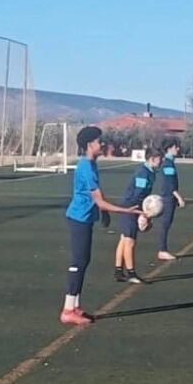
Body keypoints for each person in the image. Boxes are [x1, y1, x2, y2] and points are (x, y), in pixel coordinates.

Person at [60, 126, 139, 326]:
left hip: (86, 218)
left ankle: (75, 306)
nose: (102, 143)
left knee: (84, 261)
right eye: (98, 141)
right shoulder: (86, 167)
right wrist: (126, 211)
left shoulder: (91, 164)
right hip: (78, 219)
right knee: (78, 262)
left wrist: (103, 213)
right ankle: (68, 310)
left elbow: (98, 197)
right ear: (89, 145)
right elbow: (100, 200)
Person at [113, 146, 163, 285]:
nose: (162, 162)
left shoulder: (151, 172)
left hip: (133, 207)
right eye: (160, 159)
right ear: (153, 159)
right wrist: (144, 213)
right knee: (130, 241)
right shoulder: (143, 173)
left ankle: (118, 271)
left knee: (124, 239)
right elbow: (138, 195)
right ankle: (131, 273)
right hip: (130, 207)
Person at [153, 139, 186, 261]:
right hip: (168, 197)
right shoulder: (168, 164)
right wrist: (179, 197)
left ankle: (163, 249)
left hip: (168, 197)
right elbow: (170, 183)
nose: (178, 149)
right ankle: (162, 250)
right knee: (165, 224)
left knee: (166, 224)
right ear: (170, 148)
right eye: (176, 147)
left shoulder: (169, 162)